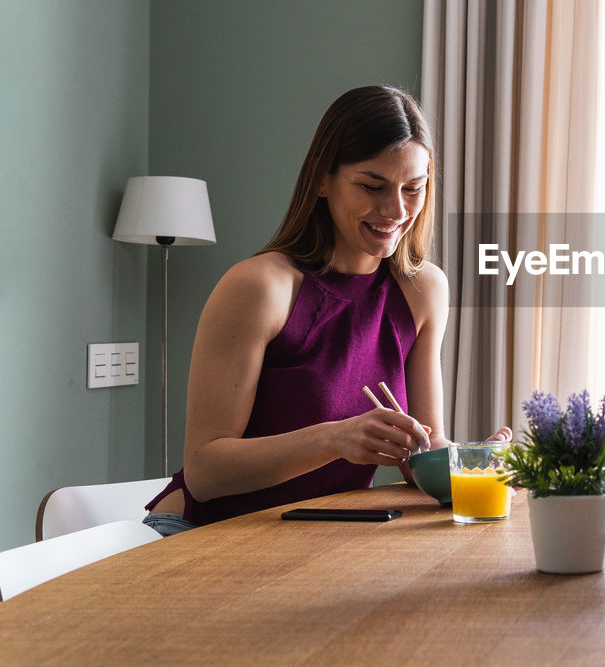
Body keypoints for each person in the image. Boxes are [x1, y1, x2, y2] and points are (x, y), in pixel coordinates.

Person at [144, 85, 510, 535]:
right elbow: (205, 472)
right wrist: (336, 438)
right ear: (321, 178)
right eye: (372, 186)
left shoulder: (423, 290)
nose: (396, 210)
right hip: (203, 532)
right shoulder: (260, 287)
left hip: (316, 533)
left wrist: (471, 462)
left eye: (413, 188)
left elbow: (421, 454)